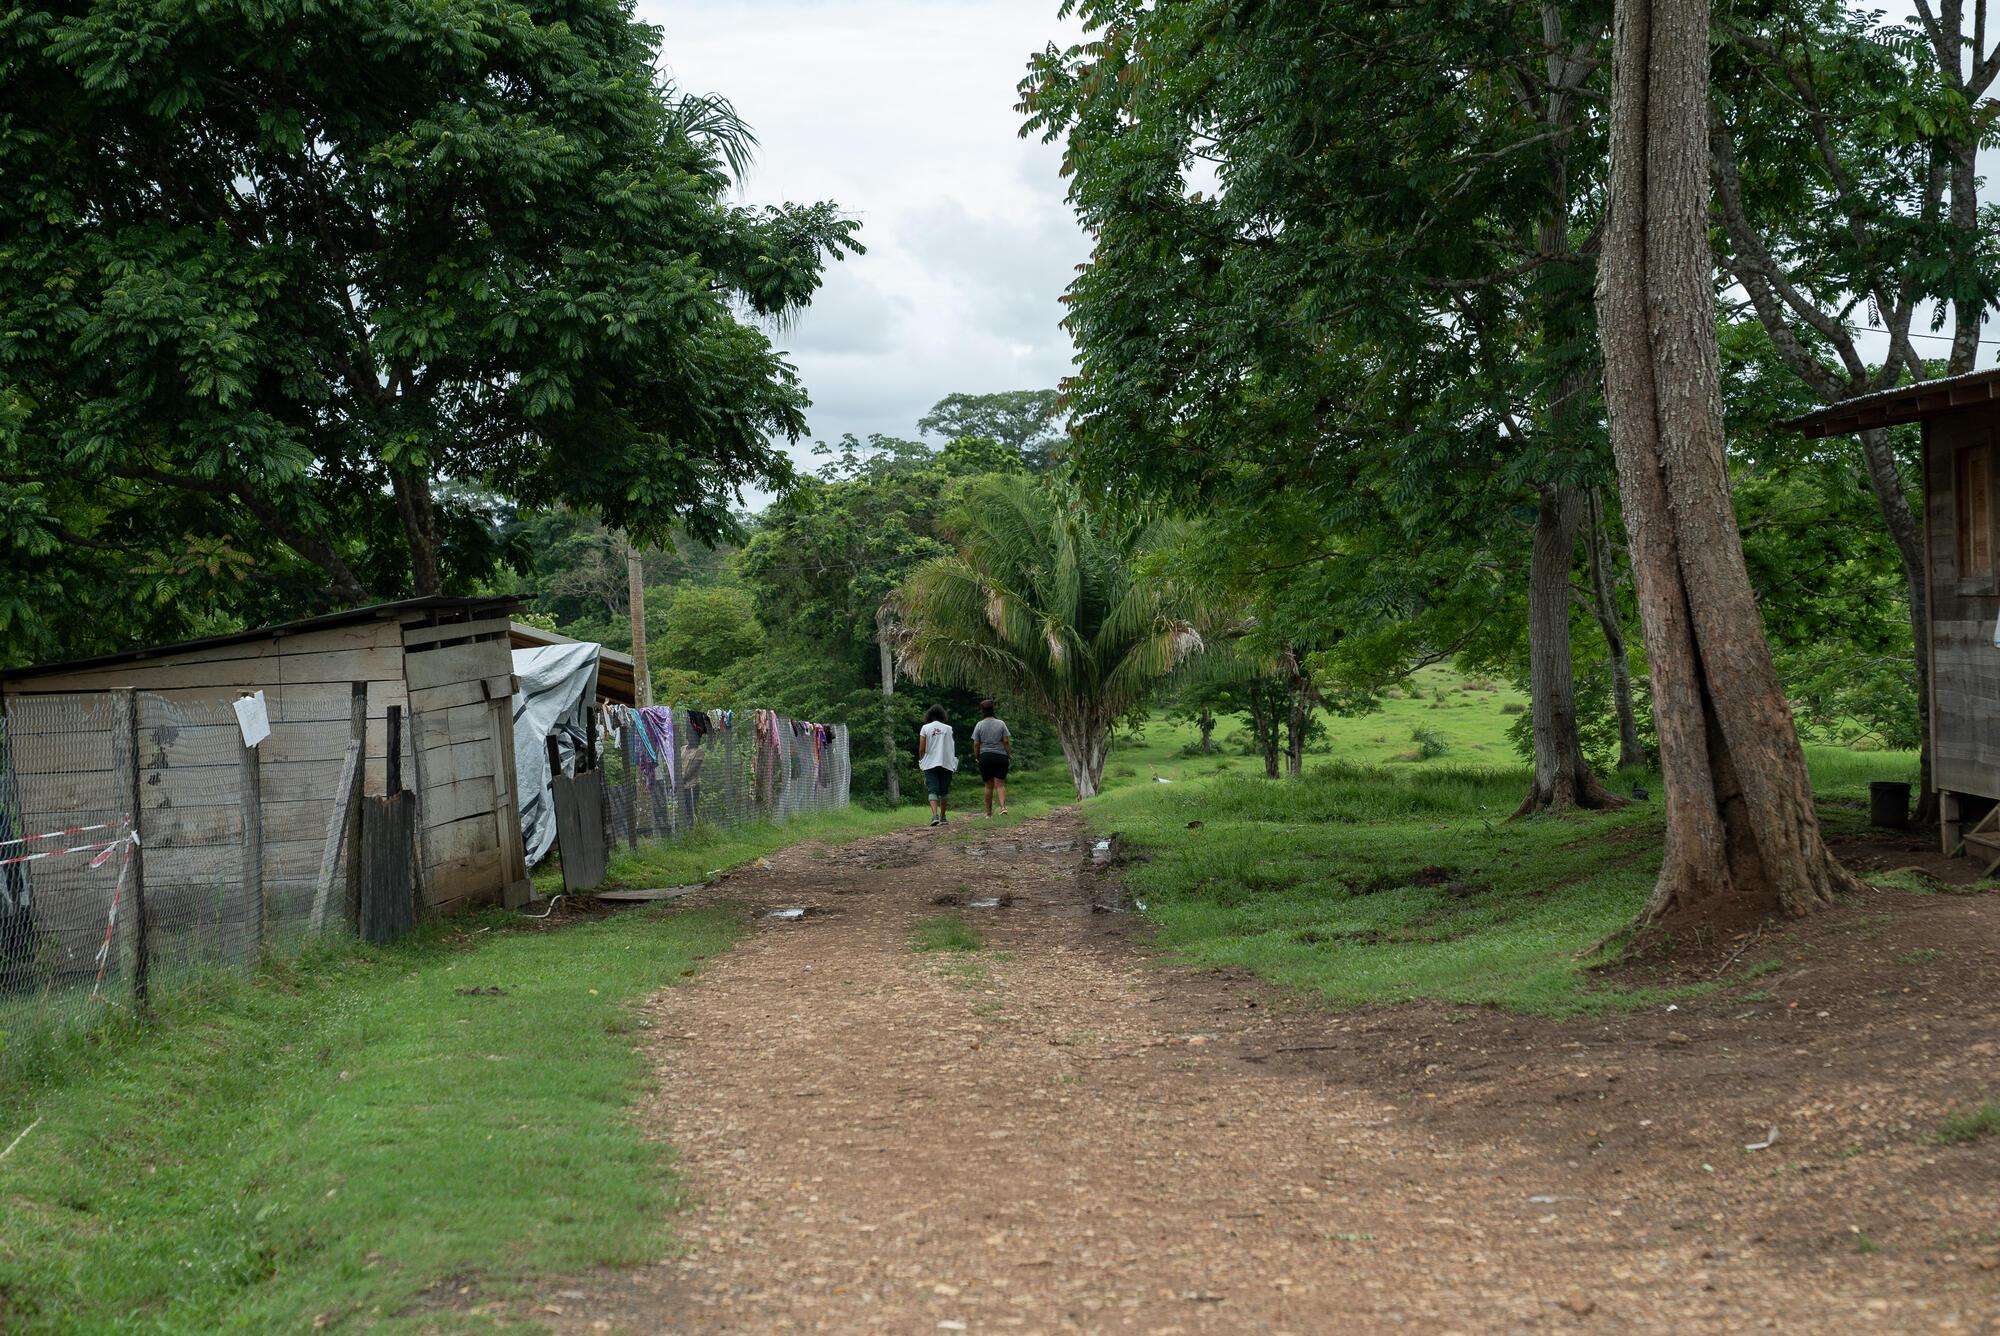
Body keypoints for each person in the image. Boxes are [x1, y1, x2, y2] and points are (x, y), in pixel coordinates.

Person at [915, 705, 958, 826]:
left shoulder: (925, 728)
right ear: (942, 715)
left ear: (929, 716)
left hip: (930, 763)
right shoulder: (948, 728)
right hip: (946, 762)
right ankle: (943, 817)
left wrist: (921, 758)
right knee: (944, 791)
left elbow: (922, 747)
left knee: (932, 790)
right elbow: (951, 746)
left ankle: (934, 816)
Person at [971, 699, 1012, 817]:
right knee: (1000, 784)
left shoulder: (979, 725)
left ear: (982, 711)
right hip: (1000, 756)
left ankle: (988, 813)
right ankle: (1003, 807)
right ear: (993, 709)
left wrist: (977, 756)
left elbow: (976, 744)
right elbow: (1006, 741)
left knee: (988, 785)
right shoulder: (1001, 723)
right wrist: (1009, 754)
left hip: (985, 757)